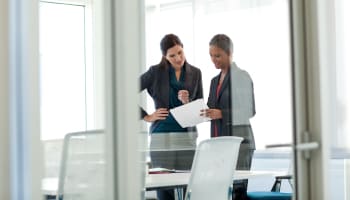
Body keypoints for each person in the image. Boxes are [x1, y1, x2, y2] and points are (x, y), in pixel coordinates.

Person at [140, 33, 203, 200]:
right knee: (164, 187)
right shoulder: (155, 72)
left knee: (188, 185)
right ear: (165, 56)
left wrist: (187, 101)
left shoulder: (195, 73)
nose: (178, 58)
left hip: (187, 136)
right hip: (162, 136)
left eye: (180, 52)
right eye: (172, 55)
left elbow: (200, 106)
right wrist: (146, 116)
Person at [201, 34, 256, 200]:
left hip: (240, 144)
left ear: (230, 54)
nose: (213, 59)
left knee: (237, 192)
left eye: (218, 55)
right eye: (211, 55)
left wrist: (222, 113)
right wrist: (201, 109)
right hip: (219, 143)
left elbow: (249, 110)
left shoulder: (241, 76)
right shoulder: (213, 81)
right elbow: (212, 107)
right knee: (221, 191)